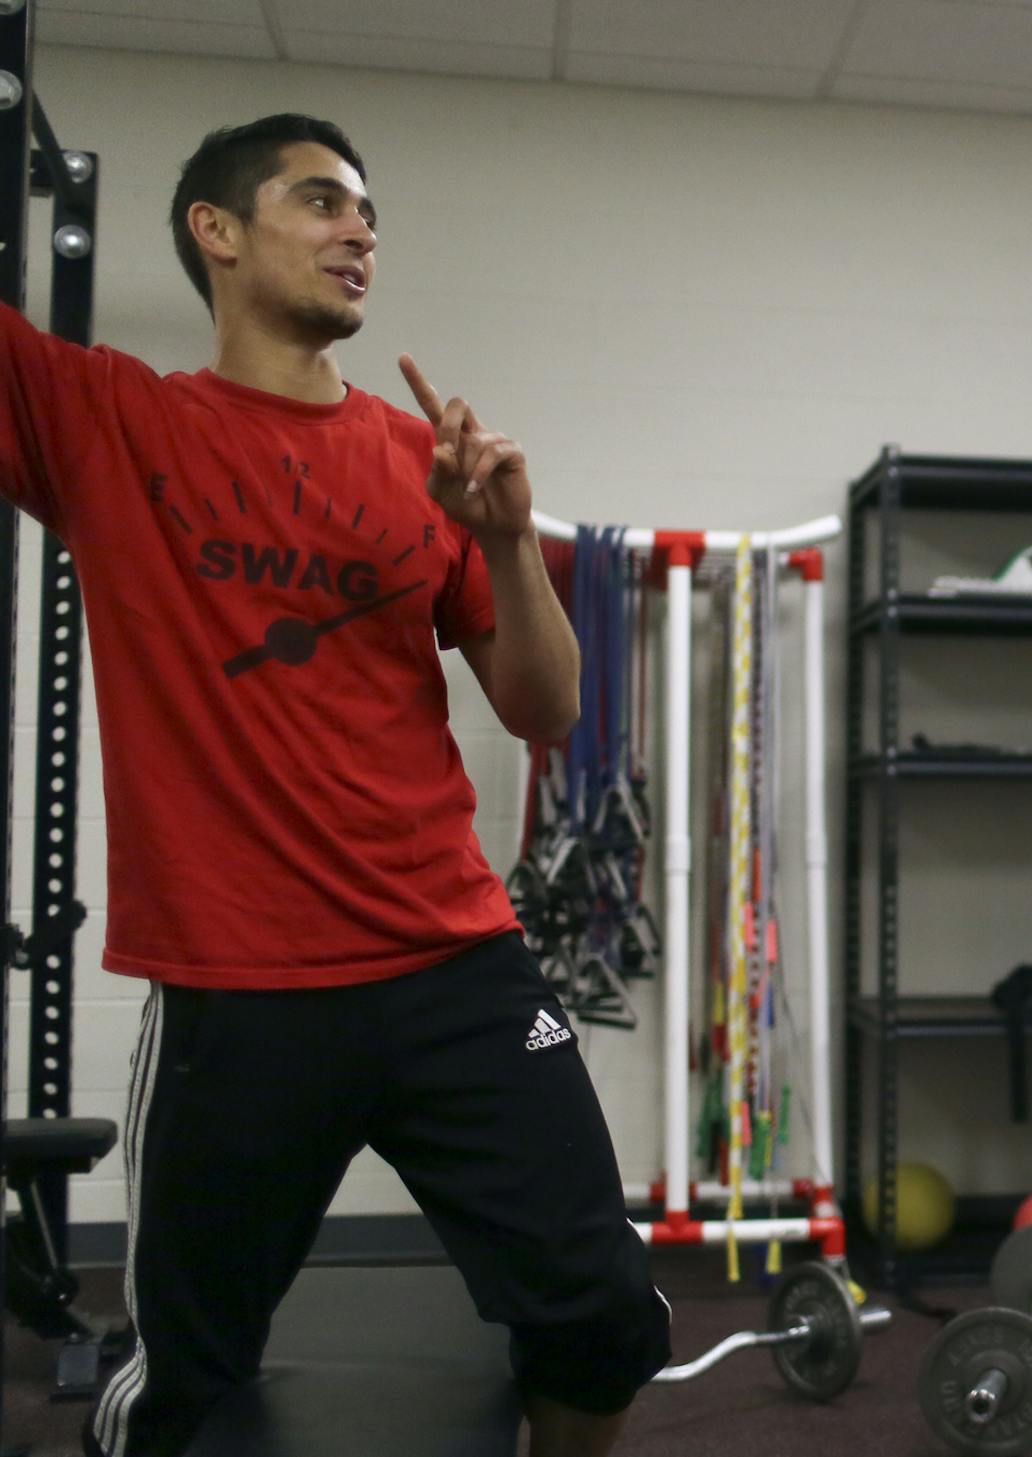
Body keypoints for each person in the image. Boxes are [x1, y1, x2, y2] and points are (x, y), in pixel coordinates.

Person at [0, 114, 671, 1457]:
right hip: (238, 994)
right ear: (219, 231)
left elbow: (547, 709)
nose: (359, 231)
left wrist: (507, 542)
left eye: (368, 213)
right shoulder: (113, 421)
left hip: (454, 966)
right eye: (320, 202)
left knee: (602, 1316)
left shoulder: (418, 461)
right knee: (181, 1386)